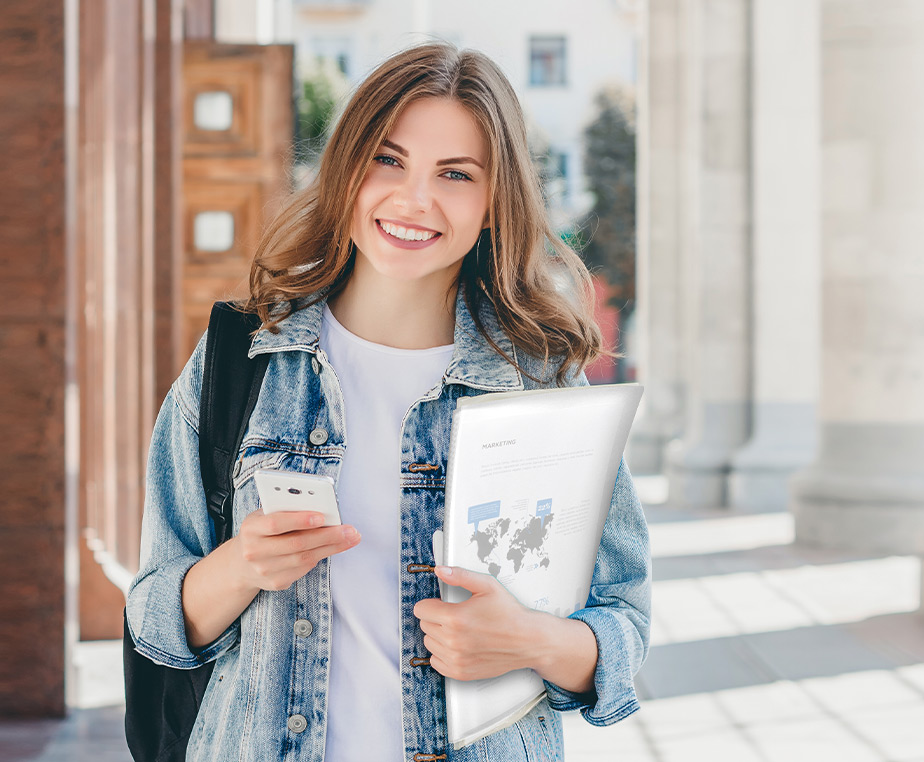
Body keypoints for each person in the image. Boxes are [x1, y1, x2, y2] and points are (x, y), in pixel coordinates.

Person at [126, 42, 650, 762]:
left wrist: (532, 641)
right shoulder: (241, 359)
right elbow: (153, 615)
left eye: (456, 174)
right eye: (388, 159)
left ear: (495, 202)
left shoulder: (540, 382)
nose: (414, 199)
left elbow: (623, 623)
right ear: (347, 170)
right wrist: (241, 566)